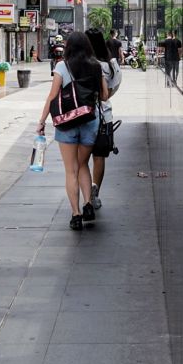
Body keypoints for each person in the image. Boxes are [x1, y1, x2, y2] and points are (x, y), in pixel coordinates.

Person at [38, 32, 109, 230]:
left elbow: (52, 96)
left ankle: (76, 214)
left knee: (71, 170)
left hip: (67, 122)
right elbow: (104, 96)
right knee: (83, 164)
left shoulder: (62, 65)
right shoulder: (96, 66)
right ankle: (88, 205)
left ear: (69, 47)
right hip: (89, 121)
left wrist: (42, 121)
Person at [85, 29, 123, 209]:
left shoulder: (77, 64)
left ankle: (85, 195)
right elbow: (113, 89)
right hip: (103, 115)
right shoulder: (108, 66)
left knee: (81, 158)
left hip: (82, 115)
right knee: (99, 156)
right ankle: (95, 191)